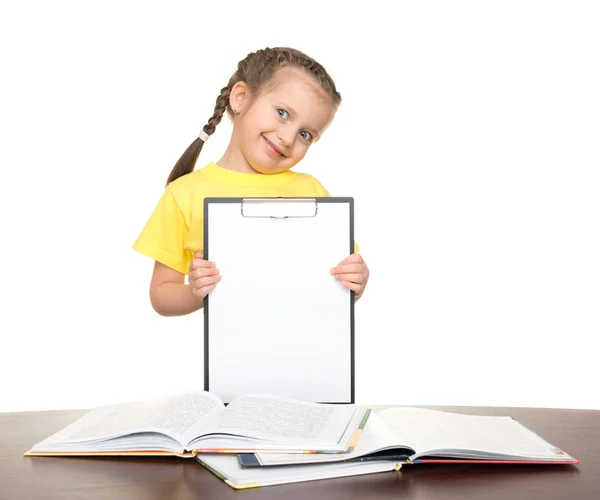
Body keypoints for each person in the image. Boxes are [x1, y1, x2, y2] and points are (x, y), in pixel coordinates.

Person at [133, 47, 370, 316]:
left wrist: (357, 281)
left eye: (305, 134)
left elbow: (342, 277)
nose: (288, 138)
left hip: (309, 350)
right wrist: (193, 293)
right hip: (231, 354)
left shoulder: (312, 192)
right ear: (241, 98)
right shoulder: (183, 194)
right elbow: (161, 294)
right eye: (282, 113)